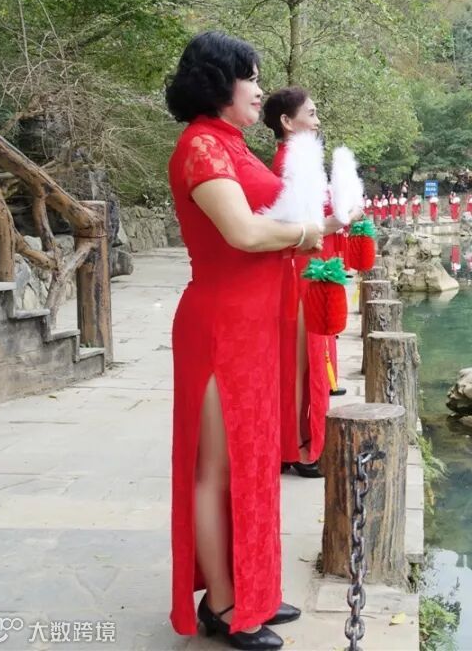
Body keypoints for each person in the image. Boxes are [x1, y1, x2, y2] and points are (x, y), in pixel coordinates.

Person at [166, 32, 313, 648]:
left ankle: (253, 587)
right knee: (216, 469)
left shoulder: (233, 145)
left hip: (254, 327)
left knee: (252, 463)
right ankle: (222, 605)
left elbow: (269, 219)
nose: (259, 89)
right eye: (250, 77)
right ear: (218, 82)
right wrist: (303, 233)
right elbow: (244, 234)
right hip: (220, 327)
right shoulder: (201, 146)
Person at [262, 86, 353, 484]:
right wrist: (338, 220)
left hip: (306, 265)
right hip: (301, 269)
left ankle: (292, 444)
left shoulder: (295, 162)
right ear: (287, 121)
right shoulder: (291, 163)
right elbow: (298, 227)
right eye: (311, 114)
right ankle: (303, 446)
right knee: (304, 359)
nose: (317, 122)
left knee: (300, 359)